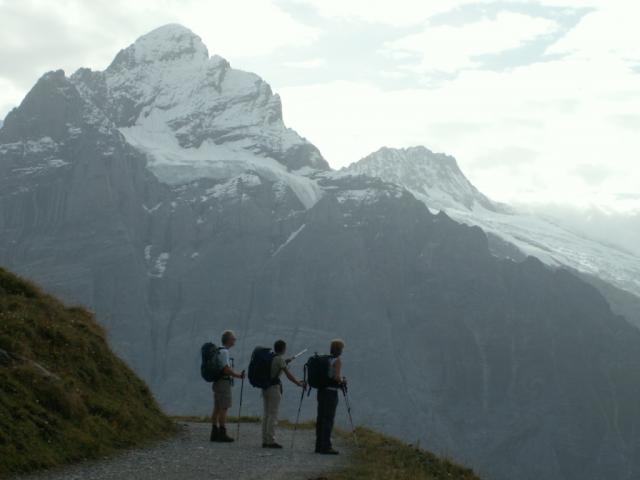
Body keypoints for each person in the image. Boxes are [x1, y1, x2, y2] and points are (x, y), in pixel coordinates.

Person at [262, 339, 306, 448]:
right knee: (273, 414)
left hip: (265, 388)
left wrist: (285, 362)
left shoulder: (271, 357)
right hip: (274, 389)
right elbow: (288, 375)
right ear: (283, 349)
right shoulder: (279, 359)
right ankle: (271, 441)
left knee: (267, 414)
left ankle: (265, 440)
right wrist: (298, 383)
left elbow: (275, 367)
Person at [211, 330, 245, 443]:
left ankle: (214, 432)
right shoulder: (225, 352)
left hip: (217, 382)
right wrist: (238, 375)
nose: (235, 340)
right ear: (229, 340)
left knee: (217, 408)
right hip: (224, 383)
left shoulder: (218, 350)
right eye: (233, 339)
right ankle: (222, 433)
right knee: (224, 408)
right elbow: (226, 369)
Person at [315, 339, 346, 455]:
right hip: (331, 392)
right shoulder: (337, 361)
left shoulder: (325, 359)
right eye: (341, 348)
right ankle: (326, 446)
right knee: (328, 419)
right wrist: (343, 380)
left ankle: (318, 445)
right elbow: (336, 377)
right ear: (339, 350)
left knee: (320, 418)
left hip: (321, 391)